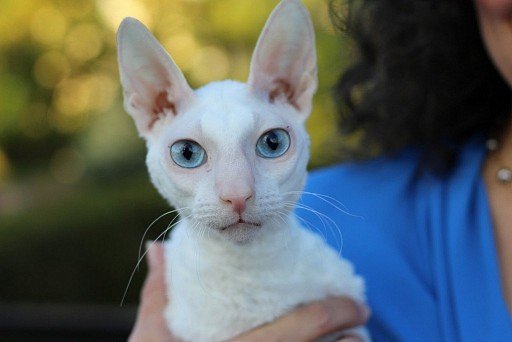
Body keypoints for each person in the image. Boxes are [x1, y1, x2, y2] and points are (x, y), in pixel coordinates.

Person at [129, 0, 512, 340]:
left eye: (271, 144)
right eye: (189, 154)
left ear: (294, 91)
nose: (237, 191)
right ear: (150, 108)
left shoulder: (329, 236)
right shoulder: (340, 214)